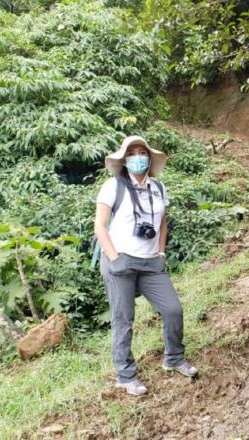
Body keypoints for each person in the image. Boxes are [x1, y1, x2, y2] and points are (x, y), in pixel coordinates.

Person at [94, 136, 198, 396]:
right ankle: (125, 376)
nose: (138, 157)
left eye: (142, 152)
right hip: (121, 260)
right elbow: (100, 226)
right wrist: (114, 258)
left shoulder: (159, 188)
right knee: (123, 319)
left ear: (150, 159)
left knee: (173, 309)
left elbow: (163, 222)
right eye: (132, 153)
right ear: (123, 159)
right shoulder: (112, 186)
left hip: (151, 262)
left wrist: (161, 252)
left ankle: (174, 357)